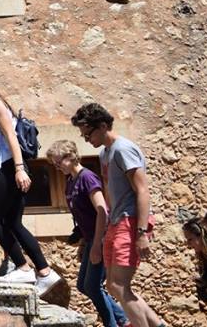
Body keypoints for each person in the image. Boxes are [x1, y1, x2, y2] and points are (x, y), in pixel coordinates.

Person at [0, 63, 61, 296]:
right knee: (13, 222)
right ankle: (44, 272)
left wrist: (19, 169)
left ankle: (24, 268)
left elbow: (11, 136)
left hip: (5, 169)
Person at [71, 103, 165, 327]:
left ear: (103, 126)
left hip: (130, 221)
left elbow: (142, 190)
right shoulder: (104, 153)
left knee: (120, 285)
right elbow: (110, 194)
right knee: (114, 286)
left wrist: (141, 232)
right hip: (115, 222)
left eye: (88, 134)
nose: (86, 140)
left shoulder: (123, 150)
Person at [47, 140, 129, 327]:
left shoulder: (88, 178)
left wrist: (98, 245)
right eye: (54, 164)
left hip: (101, 238)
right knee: (83, 286)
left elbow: (102, 211)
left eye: (59, 162)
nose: (57, 167)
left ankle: (115, 323)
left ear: (71, 156)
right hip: (90, 238)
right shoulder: (70, 181)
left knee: (92, 286)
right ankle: (123, 319)